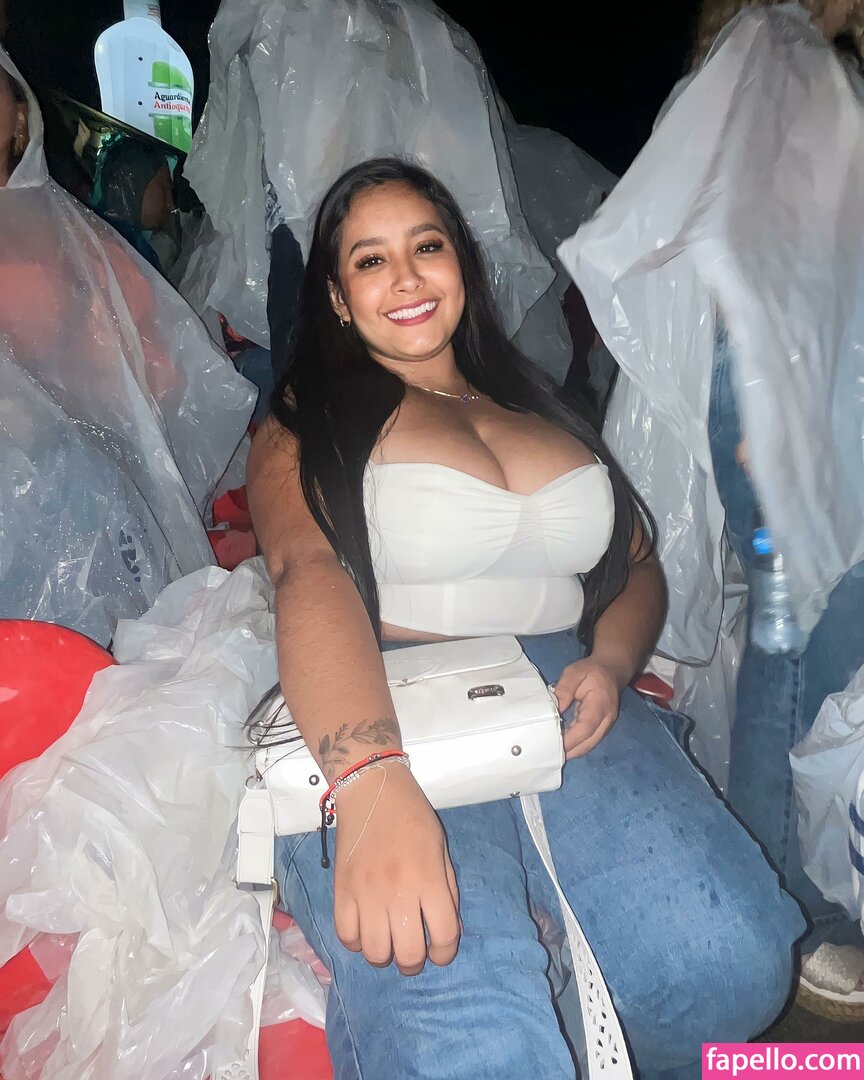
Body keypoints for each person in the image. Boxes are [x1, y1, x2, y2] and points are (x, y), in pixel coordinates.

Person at [247, 158, 804, 1079]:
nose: (407, 277)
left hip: (561, 691)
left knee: (728, 970)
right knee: (472, 1043)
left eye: (427, 246)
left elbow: (635, 565)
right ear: (338, 298)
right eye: (371, 260)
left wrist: (612, 664)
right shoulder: (311, 416)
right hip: (383, 690)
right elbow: (308, 571)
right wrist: (372, 784)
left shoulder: (539, 400)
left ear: (461, 262)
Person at [92, 136, 176, 272]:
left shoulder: (97, 231)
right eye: (164, 189)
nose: (170, 204)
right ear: (135, 185)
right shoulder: (123, 254)